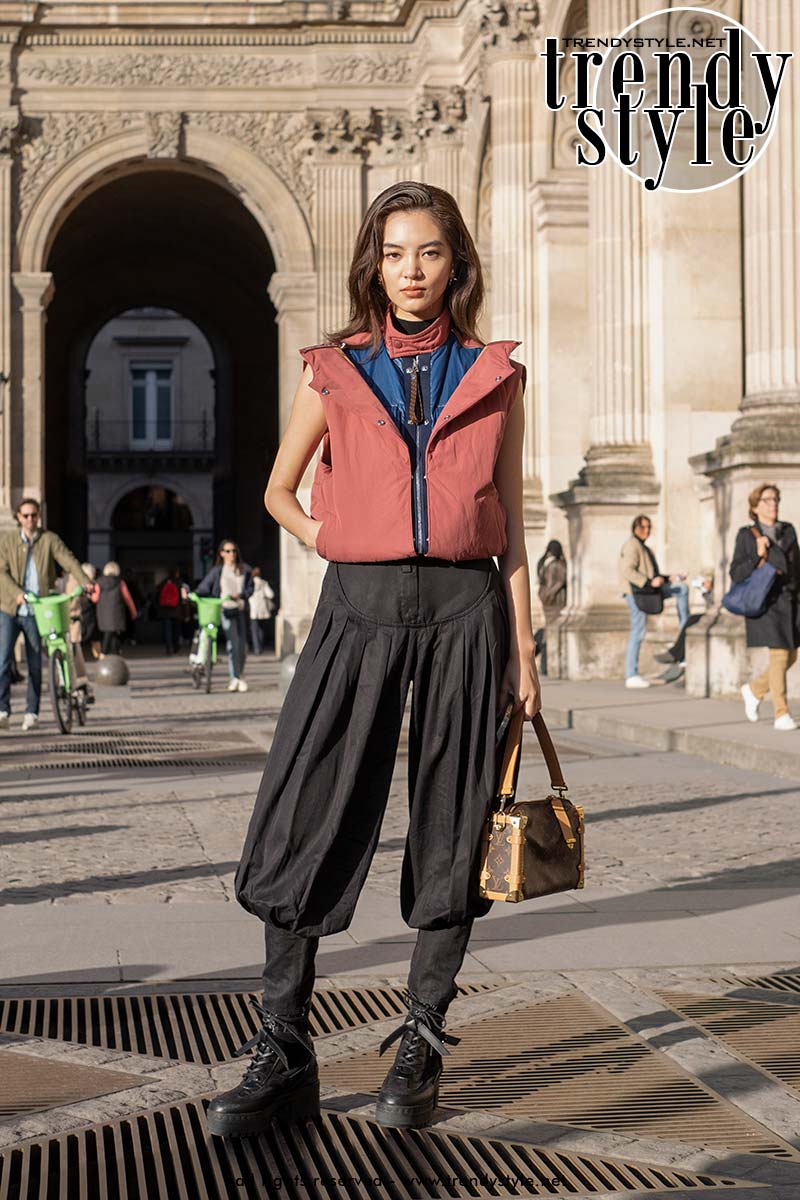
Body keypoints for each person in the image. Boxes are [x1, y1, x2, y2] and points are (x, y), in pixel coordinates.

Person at [207, 181, 539, 1139]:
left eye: (429, 252)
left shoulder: (496, 373)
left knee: (455, 818)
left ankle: (422, 1040)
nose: (411, 271)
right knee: (308, 809)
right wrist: (334, 536)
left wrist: (524, 651)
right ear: (373, 265)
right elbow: (276, 488)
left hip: (468, 612)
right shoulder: (334, 369)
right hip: (357, 610)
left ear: (455, 264)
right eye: (394, 254)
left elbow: (510, 525)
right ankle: (284, 1047)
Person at [0, 497, 91, 731]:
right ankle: (3, 710)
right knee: (3, 660)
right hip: (10, 608)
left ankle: (32, 712)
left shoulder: (49, 540)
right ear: (18, 517)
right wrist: (16, 593)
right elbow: (1, 572)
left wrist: (85, 581)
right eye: (26, 515)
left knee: (34, 663)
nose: (31, 519)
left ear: (39, 516)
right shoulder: (8, 541)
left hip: (38, 610)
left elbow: (68, 560)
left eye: (34, 515)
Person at [735, 484, 800, 731]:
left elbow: (797, 567)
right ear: (755, 506)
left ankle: (754, 690)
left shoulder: (788, 530)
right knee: (780, 654)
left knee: (793, 654)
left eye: (776, 499)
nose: (773, 504)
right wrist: (757, 556)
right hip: (766, 602)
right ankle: (781, 713)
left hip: (790, 600)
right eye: (767, 500)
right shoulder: (746, 535)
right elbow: (737, 573)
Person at [619, 514, 689, 689]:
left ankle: (684, 631)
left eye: (649, 527)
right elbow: (627, 571)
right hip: (637, 593)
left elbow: (652, 575)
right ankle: (631, 674)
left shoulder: (643, 547)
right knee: (638, 631)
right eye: (643, 527)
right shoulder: (632, 546)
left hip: (649, 590)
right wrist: (648, 582)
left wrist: (669, 578)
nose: (647, 531)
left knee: (682, 588)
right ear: (635, 528)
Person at [196, 541, 254, 692]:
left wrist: (240, 595)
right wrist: (192, 594)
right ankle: (235, 677)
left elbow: (250, 589)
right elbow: (204, 586)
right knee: (233, 643)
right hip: (225, 610)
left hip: (240, 609)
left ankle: (240, 675)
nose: (231, 554)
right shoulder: (217, 571)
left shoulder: (245, 569)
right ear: (221, 553)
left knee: (243, 646)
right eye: (227, 551)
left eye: (234, 551)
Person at [93, 561, 137, 657]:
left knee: (109, 632)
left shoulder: (99, 582)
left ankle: (110, 653)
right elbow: (127, 598)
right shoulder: (120, 582)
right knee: (113, 633)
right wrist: (133, 611)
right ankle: (108, 653)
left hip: (103, 613)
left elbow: (95, 598)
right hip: (117, 612)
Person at [535, 539, 567, 676]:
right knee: (551, 632)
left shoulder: (544, 562)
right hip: (555, 602)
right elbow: (560, 582)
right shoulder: (557, 564)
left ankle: (545, 664)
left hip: (548, 602)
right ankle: (547, 665)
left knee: (548, 630)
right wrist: (549, 595)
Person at [248, 566, 275, 655]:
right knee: (261, 629)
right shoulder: (264, 583)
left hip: (254, 609)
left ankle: (256, 648)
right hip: (263, 609)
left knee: (254, 629)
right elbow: (270, 594)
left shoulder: (250, 583)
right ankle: (261, 647)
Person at [157, 567, 184, 655]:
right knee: (176, 630)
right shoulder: (180, 583)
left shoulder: (164, 582)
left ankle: (169, 647)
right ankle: (176, 647)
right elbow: (183, 599)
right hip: (177, 611)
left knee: (167, 630)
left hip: (166, 611)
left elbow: (157, 593)